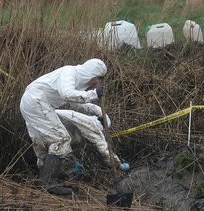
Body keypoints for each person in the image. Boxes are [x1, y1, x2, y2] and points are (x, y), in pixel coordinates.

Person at [20, 58, 129, 195]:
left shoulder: (76, 82)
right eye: (98, 80)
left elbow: (76, 103)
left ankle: (42, 181)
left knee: (41, 143)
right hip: (36, 101)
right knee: (62, 140)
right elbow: (67, 94)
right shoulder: (69, 72)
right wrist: (93, 94)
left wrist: (97, 109)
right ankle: (49, 185)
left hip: (32, 103)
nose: (97, 84)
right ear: (92, 75)